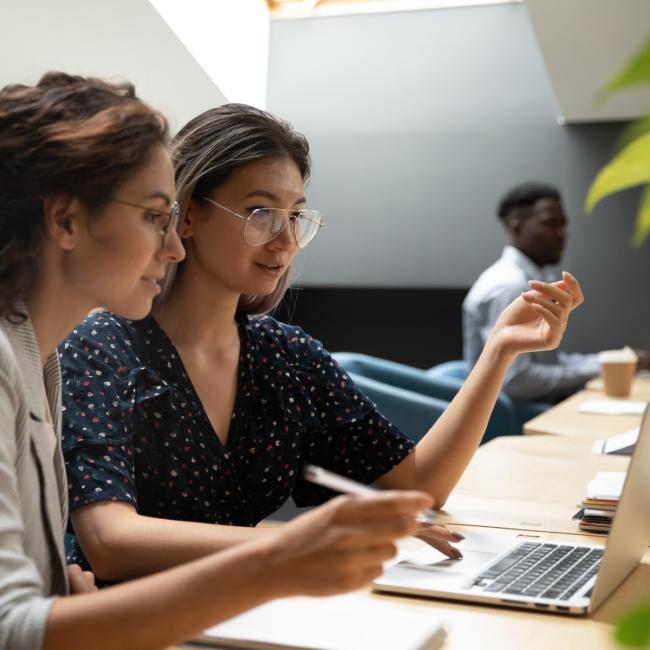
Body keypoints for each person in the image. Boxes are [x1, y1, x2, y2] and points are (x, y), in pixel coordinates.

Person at [60, 104, 585, 583]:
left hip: (245, 610)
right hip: (122, 622)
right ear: (189, 213)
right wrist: (306, 540)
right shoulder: (102, 345)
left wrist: (499, 351)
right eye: (261, 213)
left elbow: (416, 487)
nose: (285, 241)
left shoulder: (284, 355)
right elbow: (110, 542)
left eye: (295, 217)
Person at [0, 72, 434, 650]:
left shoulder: (40, 359)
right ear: (67, 221)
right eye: (156, 216)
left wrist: (59, 597)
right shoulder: (39, 359)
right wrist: (279, 559)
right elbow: (15, 629)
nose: (174, 245)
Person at [463, 182, 650, 403]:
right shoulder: (510, 287)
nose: (561, 234)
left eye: (563, 225)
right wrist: (598, 369)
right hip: (516, 415)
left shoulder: (530, 279)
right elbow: (516, 381)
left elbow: (548, 362)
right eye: (550, 224)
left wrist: (613, 361)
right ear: (517, 229)